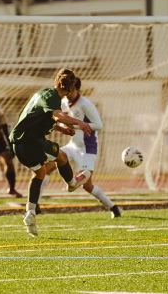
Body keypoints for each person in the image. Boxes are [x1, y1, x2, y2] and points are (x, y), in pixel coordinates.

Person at [9, 69, 94, 237]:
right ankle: (71, 183)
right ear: (70, 89)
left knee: (39, 173)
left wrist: (62, 129)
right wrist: (79, 122)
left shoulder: (42, 93)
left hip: (18, 144)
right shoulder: (52, 97)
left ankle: (30, 213)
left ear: (56, 80)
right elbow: (58, 116)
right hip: (31, 142)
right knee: (61, 157)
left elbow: (42, 118)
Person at [41, 77, 121, 218]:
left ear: (77, 89)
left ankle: (114, 208)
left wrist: (75, 125)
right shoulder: (64, 101)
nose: (67, 93)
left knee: (87, 186)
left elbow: (99, 125)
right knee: (46, 168)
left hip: (87, 148)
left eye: (70, 90)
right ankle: (36, 206)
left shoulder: (86, 104)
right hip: (73, 145)